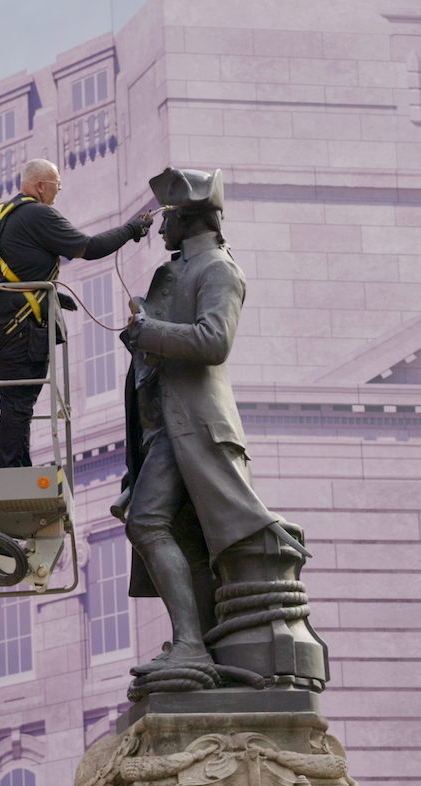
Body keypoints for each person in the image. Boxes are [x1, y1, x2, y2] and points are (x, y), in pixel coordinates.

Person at [114, 166, 305, 673]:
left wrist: (148, 331)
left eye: (166, 217)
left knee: (147, 522)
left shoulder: (218, 269)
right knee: (179, 534)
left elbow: (213, 342)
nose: (158, 228)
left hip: (194, 430)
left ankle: (192, 645)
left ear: (190, 218)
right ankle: (193, 644)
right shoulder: (179, 272)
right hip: (167, 432)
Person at [0, 158, 151, 468]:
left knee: (15, 399)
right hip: (18, 326)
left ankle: (16, 466)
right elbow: (88, 247)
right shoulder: (38, 214)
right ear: (41, 185)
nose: (58, 191)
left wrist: (49, 294)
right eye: (57, 184)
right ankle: (15, 471)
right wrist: (131, 229)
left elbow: (18, 264)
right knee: (20, 400)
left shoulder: (3, 215)